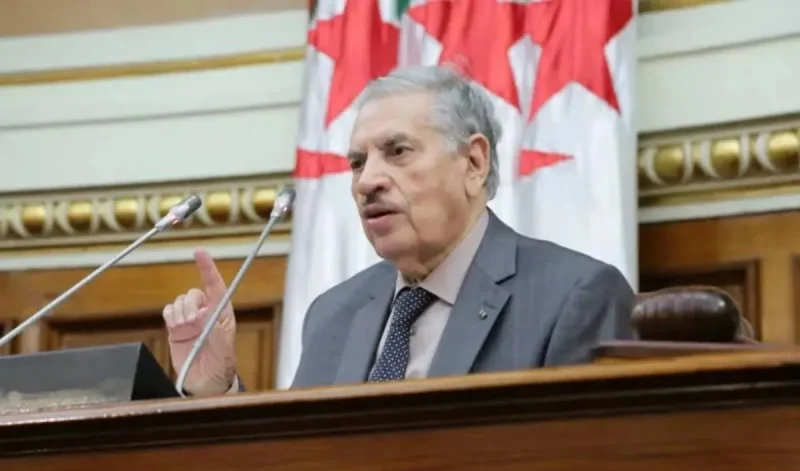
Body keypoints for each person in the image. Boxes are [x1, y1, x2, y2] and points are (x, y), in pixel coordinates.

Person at [163, 65, 635, 396]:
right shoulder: (333, 314)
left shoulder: (574, 296)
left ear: (474, 162)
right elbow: (296, 468)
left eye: (398, 152)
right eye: (357, 162)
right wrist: (217, 392)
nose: (366, 181)